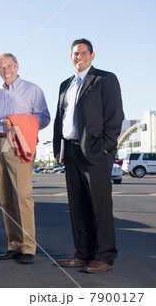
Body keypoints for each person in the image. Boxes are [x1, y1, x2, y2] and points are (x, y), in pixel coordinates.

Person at [53, 39, 124, 273]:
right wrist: (57, 148)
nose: (79, 56)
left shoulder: (105, 79)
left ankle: (105, 255)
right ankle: (83, 253)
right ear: (70, 56)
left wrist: (105, 147)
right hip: (71, 151)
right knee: (77, 205)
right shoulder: (66, 85)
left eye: (84, 52)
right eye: (75, 53)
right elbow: (59, 119)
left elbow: (115, 116)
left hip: (95, 151)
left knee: (99, 205)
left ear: (92, 55)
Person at [0, 53, 50, 264]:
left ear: (17, 66)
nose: (5, 70)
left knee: (22, 196)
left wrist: (16, 122)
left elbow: (44, 118)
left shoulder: (32, 89)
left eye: (9, 66)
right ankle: (13, 245)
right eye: (1, 67)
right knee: (5, 197)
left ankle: (28, 248)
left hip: (18, 143)